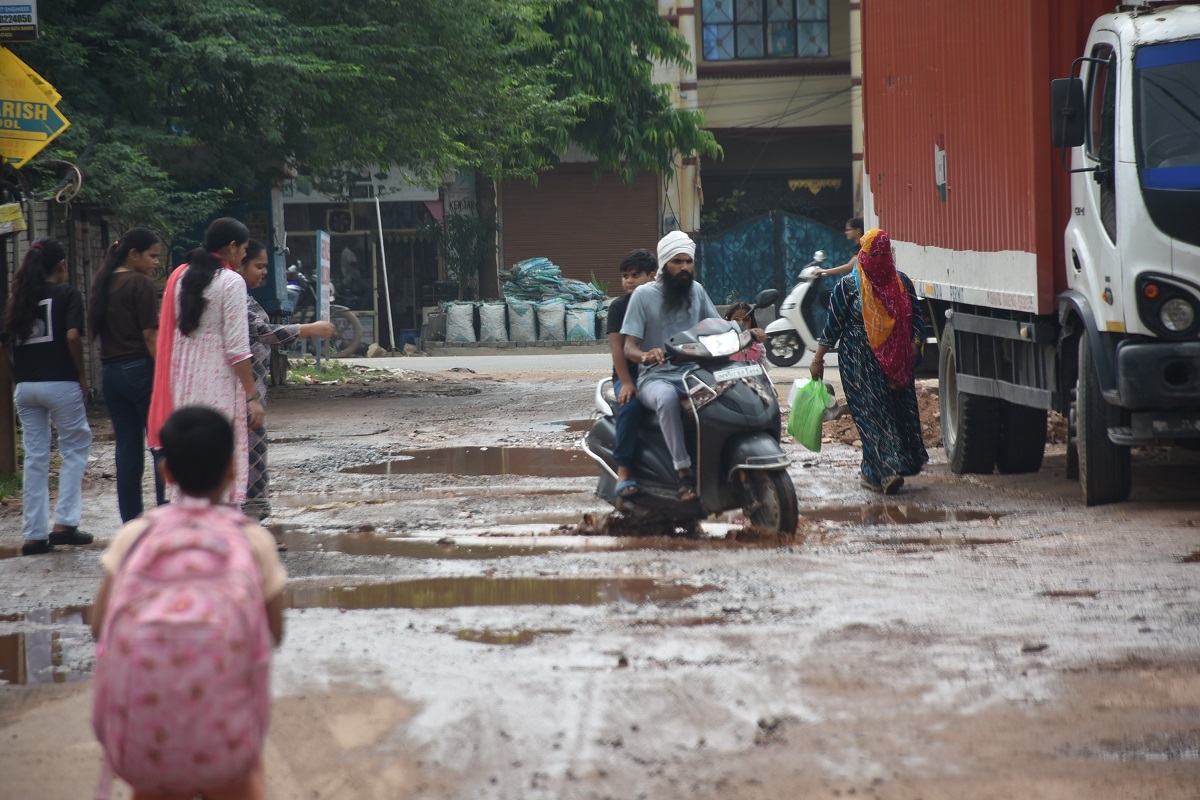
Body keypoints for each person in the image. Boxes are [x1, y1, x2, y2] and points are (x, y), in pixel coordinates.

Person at [92, 406, 286, 800]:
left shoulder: (136, 537)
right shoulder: (252, 540)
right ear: (233, 470)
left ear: (167, 473)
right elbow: (273, 634)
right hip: (226, 736)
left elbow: (100, 625)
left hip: (147, 737)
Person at [147, 217, 265, 506]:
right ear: (233, 246)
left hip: (183, 384)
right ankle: (220, 537)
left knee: (189, 458)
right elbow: (238, 348)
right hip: (219, 386)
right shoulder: (231, 281)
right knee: (219, 461)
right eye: (244, 249)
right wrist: (252, 395)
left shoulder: (180, 277)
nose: (243, 257)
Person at [809, 228, 927, 494]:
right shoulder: (848, 287)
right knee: (871, 417)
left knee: (897, 415)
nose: (878, 260)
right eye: (873, 254)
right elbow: (833, 326)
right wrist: (817, 359)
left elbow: (918, 318)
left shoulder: (902, 283)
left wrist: (914, 344)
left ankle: (871, 471)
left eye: (883, 255)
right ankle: (887, 473)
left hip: (897, 365)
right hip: (859, 365)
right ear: (863, 254)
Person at [0, 238, 94, 556]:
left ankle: (33, 536)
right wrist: (80, 375)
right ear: (61, 265)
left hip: (26, 389)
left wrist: (16, 378)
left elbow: (3, 343)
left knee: (36, 458)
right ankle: (65, 524)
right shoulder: (68, 294)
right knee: (75, 447)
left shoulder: (19, 300)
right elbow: (71, 335)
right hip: (61, 384)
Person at [234, 239, 334, 520]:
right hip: (243, 390)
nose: (264, 272)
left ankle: (251, 513)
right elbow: (264, 332)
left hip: (253, 387)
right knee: (251, 447)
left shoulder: (244, 294)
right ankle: (248, 517)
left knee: (255, 446)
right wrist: (309, 328)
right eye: (259, 266)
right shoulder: (235, 296)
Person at [621, 230, 720, 501]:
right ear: (665, 264)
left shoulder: (697, 291)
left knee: (729, 390)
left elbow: (716, 328)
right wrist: (646, 355)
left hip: (694, 372)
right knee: (666, 399)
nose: (685, 267)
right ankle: (683, 472)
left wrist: (746, 329)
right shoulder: (643, 295)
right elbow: (628, 348)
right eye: (678, 262)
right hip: (656, 377)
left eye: (689, 261)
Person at [88, 227, 165, 522]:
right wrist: (163, 373)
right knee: (160, 444)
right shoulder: (139, 283)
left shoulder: (103, 283)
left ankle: (131, 521)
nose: (156, 262)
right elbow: (149, 335)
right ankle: (166, 517)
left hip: (110, 374)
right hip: (139, 371)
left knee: (127, 449)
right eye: (152, 256)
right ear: (134, 255)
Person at [605, 249, 657, 498]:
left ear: (653, 276)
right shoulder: (619, 307)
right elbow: (617, 349)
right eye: (625, 276)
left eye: (635, 275)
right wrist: (625, 382)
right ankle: (624, 470)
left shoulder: (663, 301)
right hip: (631, 374)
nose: (628, 281)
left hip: (665, 371)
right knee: (631, 405)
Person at [724, 302, 768, 366]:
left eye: (746, 320)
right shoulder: (723, 342)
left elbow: (762, 370)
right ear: (728, 321)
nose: (741, 323)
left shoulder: (758, 345)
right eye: (736, 320)